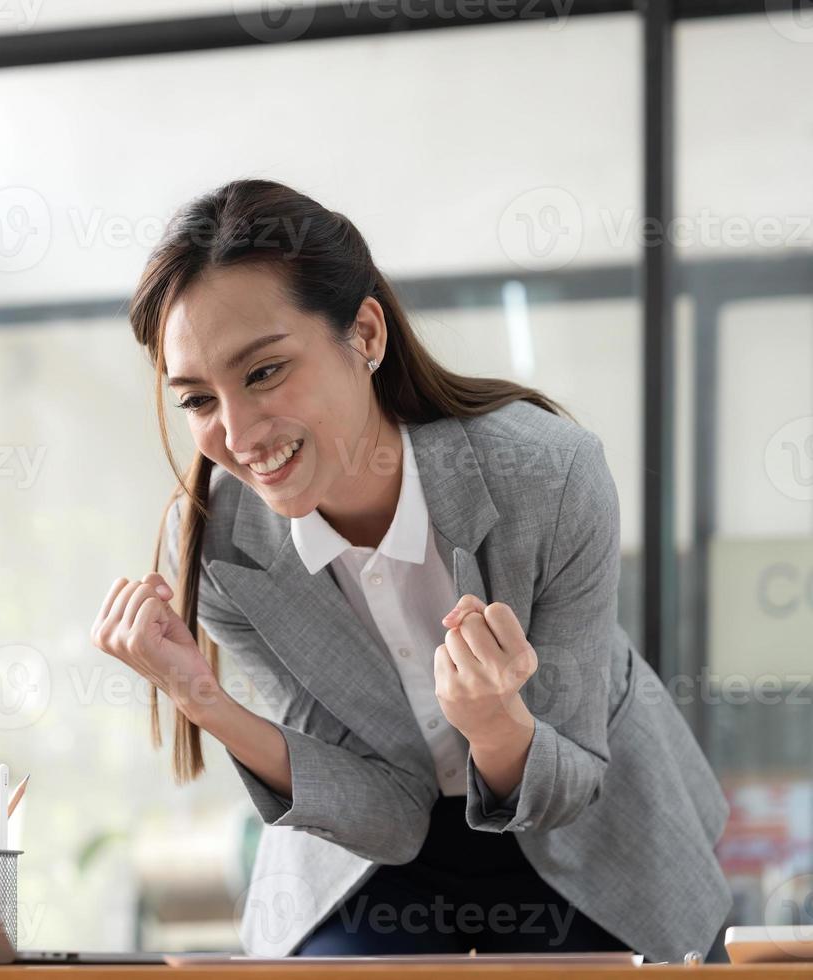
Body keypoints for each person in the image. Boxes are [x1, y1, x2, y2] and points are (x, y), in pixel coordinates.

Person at [89, 179, 731, 962]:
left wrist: (496, 722)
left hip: (586, 832)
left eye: (262, 373)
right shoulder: (221, 548)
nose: (237, 432)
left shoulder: (548, 475)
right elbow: (384, 814)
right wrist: (203, 698)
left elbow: (567, 785)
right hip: (367, 862)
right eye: (197, 399)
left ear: (364, 334)